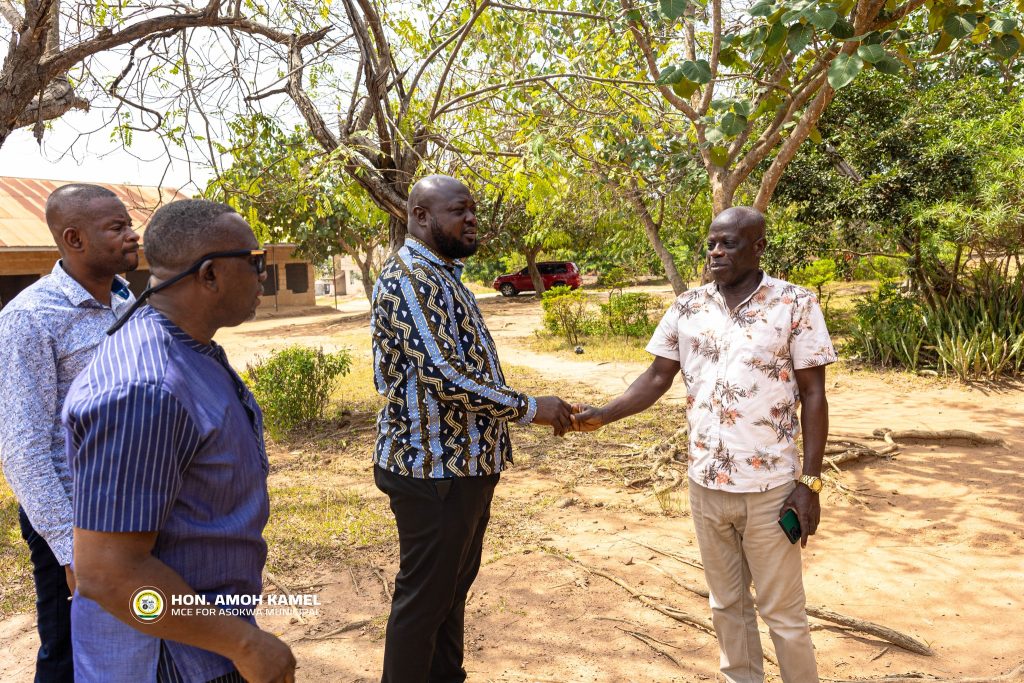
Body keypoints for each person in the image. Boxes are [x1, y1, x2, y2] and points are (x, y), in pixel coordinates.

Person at [572, 207, 837, 683]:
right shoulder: (687, 306)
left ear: (758, 247)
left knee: (783, 613)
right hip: (705, 486)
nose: (715, 252)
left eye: (728, 243)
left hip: (770, 489)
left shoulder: (794, 303)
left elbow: (814, 395)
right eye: (712, 243)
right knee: (726, 605)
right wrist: (605, 414)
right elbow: (657, 376)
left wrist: (810, 483)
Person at [64, 199, 295, 683]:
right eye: (254, 261)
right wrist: (244, 645)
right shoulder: (145, 388)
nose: (263, 275)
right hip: (167, 661)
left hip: (202, 640)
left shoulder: (189, 348)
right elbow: (109, 574)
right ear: (209, 275)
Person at [371, 175, 573, 683]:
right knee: (423, 604)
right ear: (420, 216)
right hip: (433, 468)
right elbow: (444, 375)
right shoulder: (410, 279)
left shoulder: (443, 275)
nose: (472, 219)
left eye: (473, 210)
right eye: (459, 210)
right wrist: (531, 408)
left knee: (449, 595)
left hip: (465, 467)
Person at [0, 183, 138, 682]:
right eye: (117, 227)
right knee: (70, 652)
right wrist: (70, 548)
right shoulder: (30, 318)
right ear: (74, 239)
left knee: (134, 640)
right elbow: (23, 447)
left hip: (133, 507)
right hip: (77, 518)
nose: (132, 235)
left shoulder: (127, 300)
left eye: (129, 224)